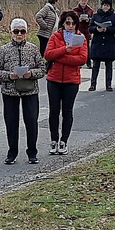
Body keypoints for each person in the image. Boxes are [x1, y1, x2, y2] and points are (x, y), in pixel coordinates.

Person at [0, 19, 45, 164]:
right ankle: (12, 152)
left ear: (26, 32)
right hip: (10, 91)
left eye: (22, 31)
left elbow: (42, 69)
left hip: (30, 90)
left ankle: (32, 152)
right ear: (11, 32)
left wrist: (31, 74)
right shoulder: (4, 49)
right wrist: (9, 76)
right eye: (16, 31)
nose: (19, 34)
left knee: (31, 121)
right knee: (11, 122)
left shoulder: (33, 48)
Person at [43, 11, 88, 155]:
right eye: (68, 23)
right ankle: (53, 139)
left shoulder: (81, 38)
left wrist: (60, 57)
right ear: (63, 23)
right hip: (54, 79)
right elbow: (48, 54)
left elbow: (82, 59)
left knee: (67, 111)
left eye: (73, 23)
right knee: (54, 111)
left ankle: (64, 141)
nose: (70, 26)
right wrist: (64, 50)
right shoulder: (55, 36)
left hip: (71, 80)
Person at [87, 0, 115, 91]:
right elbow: (90, 28)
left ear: (110, 7)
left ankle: (108, 85)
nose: (105, 7)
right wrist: (97, 29)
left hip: (109, 43)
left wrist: (107, 29)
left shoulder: (114, 17)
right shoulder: (96, 16)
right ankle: (93, 84)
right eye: (104, 5)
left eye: (107, 6)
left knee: (109, 65)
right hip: (98, 42)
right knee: (95, 65)